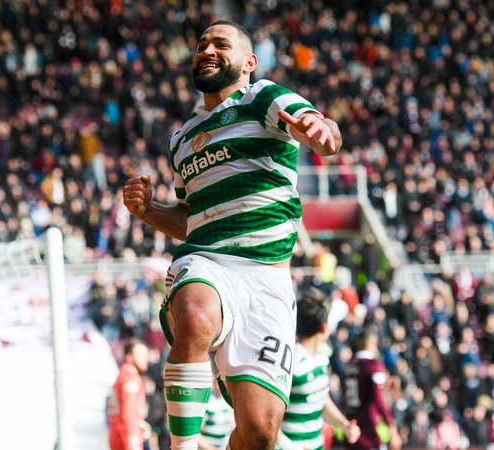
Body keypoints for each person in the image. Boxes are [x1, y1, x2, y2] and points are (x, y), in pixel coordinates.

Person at [123, 20, 341, 450]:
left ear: (248, 63)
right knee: (195, 314)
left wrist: (322, 131)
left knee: (259, 430)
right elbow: (192, 217)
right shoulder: (182, 138)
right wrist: (148, 210)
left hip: (268, 280)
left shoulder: (264, 96)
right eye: (202, 44)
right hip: (208, 261)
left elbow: (318, 126)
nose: (207, 49)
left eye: (221, 44)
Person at [276, 287, 360, 450]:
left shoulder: (322, 360)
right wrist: (289, 446)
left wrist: (344, 424)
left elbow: (320, 399)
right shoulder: (290, 363)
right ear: (324, 327)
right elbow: (267, 415)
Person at [343, 329, 402, 450]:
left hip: (352, 428)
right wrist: (392, 429)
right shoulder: (374, 365)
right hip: (369, 429)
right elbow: (378, 399)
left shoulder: (350, 365)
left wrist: (384, 384)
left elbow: (361, 389)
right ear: (375, 343)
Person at [108, 339, 152, 450]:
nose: (145, 358)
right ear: (129, 357)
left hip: (119, 434)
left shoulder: (123, 374)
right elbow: (129, 411)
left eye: (146, 354)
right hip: (126, 437)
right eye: (141, 355)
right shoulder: (130, 378)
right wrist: (132, 438)